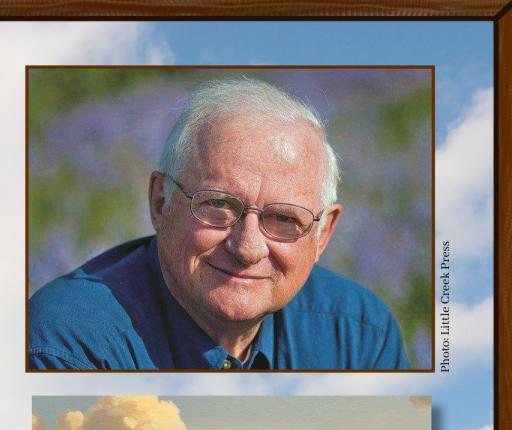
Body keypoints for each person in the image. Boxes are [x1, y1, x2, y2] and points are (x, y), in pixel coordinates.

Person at [28, 78, 410, 371]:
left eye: (283, 219)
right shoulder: (69, 342)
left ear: (323, 233)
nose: (247, 248)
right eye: (217, 206)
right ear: (161, 202)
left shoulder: (360, 336)